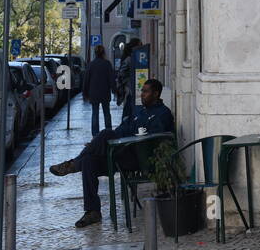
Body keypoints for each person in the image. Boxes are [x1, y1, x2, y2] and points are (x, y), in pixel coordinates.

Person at [50, 77, 174, 228]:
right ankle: (92, 211)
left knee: (105, 134)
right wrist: (100, 145)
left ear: (156, 94)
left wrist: (122, 138)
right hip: (123, 154)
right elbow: (121, 129)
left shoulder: (163, 114)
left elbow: (156, 140)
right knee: (89, 161)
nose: (142, 94)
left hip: (141, 158)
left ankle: (73, 164)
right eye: (142, 91)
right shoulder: (139, 112)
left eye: (146, 92)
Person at [82, 43, 116, 136]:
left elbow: (86, 80)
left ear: (95, 53)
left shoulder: (91, 65)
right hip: (105, 92)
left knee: (95, 114)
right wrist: (114, 90)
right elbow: (111, 79)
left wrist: (85, 93)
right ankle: (109, 132)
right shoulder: (107, 64)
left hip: (94, 93)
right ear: (103, 53)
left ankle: (95, 135)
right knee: (107, 113)